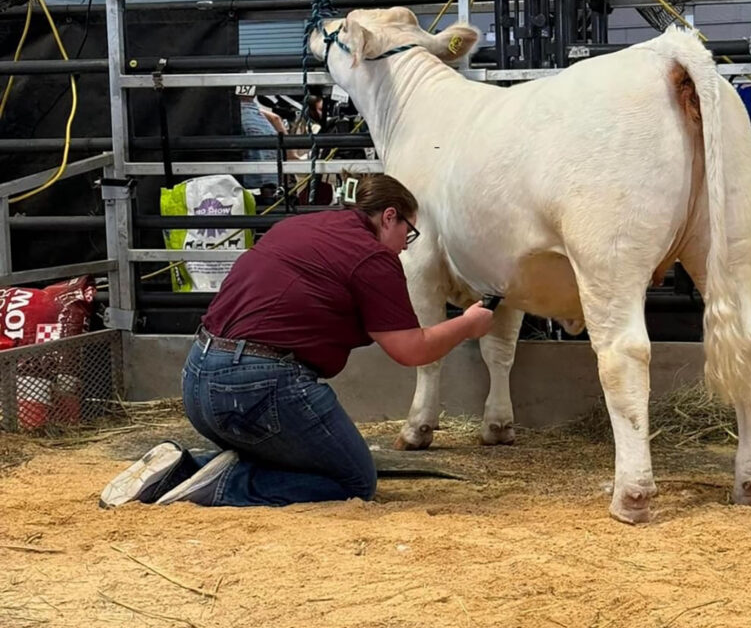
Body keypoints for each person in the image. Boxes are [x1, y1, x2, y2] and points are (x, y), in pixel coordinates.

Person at [100, 174, 495, 508]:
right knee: (355, 481)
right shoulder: (373, 256)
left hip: (197, 377)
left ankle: (180, 469)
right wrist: (468, 323)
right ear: (389, 216)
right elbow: (411, 349)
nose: (406, 244)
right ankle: (221, 486)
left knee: (303, 456)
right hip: (258, 386)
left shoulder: (299, 226)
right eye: (409, 232)